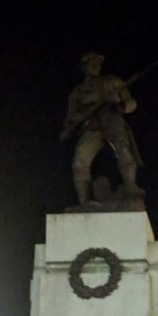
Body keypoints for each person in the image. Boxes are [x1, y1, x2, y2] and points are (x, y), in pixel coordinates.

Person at [60, 52, 143, 205]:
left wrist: (118, 101)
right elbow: (70, 118)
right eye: (92, 63)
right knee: (79, 162)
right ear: (83, 67)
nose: (96, 66)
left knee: (123, 150)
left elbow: (131, 104)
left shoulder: (113, 81)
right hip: (91, 126)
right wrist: (85, 114)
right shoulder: (77, 92)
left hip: (112, 120)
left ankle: (131, 186)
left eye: (98, 64)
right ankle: (84, 200)